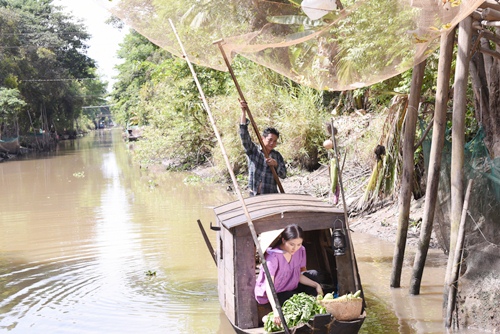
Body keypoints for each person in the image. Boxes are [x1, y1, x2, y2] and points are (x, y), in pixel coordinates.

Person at [254, 224, 323, 326]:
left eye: (299, 244)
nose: (295, 248)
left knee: (315, 275)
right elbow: (269, 286)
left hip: (290, 284)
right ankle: (269, 317)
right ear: (283, 240)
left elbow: (297, 275)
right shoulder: (273, 257)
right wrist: (276, 309)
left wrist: (317, 285)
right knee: (294, 299)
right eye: (292, 244)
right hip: (276, 292)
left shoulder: (300, 251)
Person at [239, 101, 286, 196]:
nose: (272, 143)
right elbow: (244, 135)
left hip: (271, 196)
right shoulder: (253, 151)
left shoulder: (277, 156)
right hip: (254, 195)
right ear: (262, 138)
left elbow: (283, 175)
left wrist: (276, 165)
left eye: (275, 141)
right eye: (270, 140)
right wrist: (243, 112)